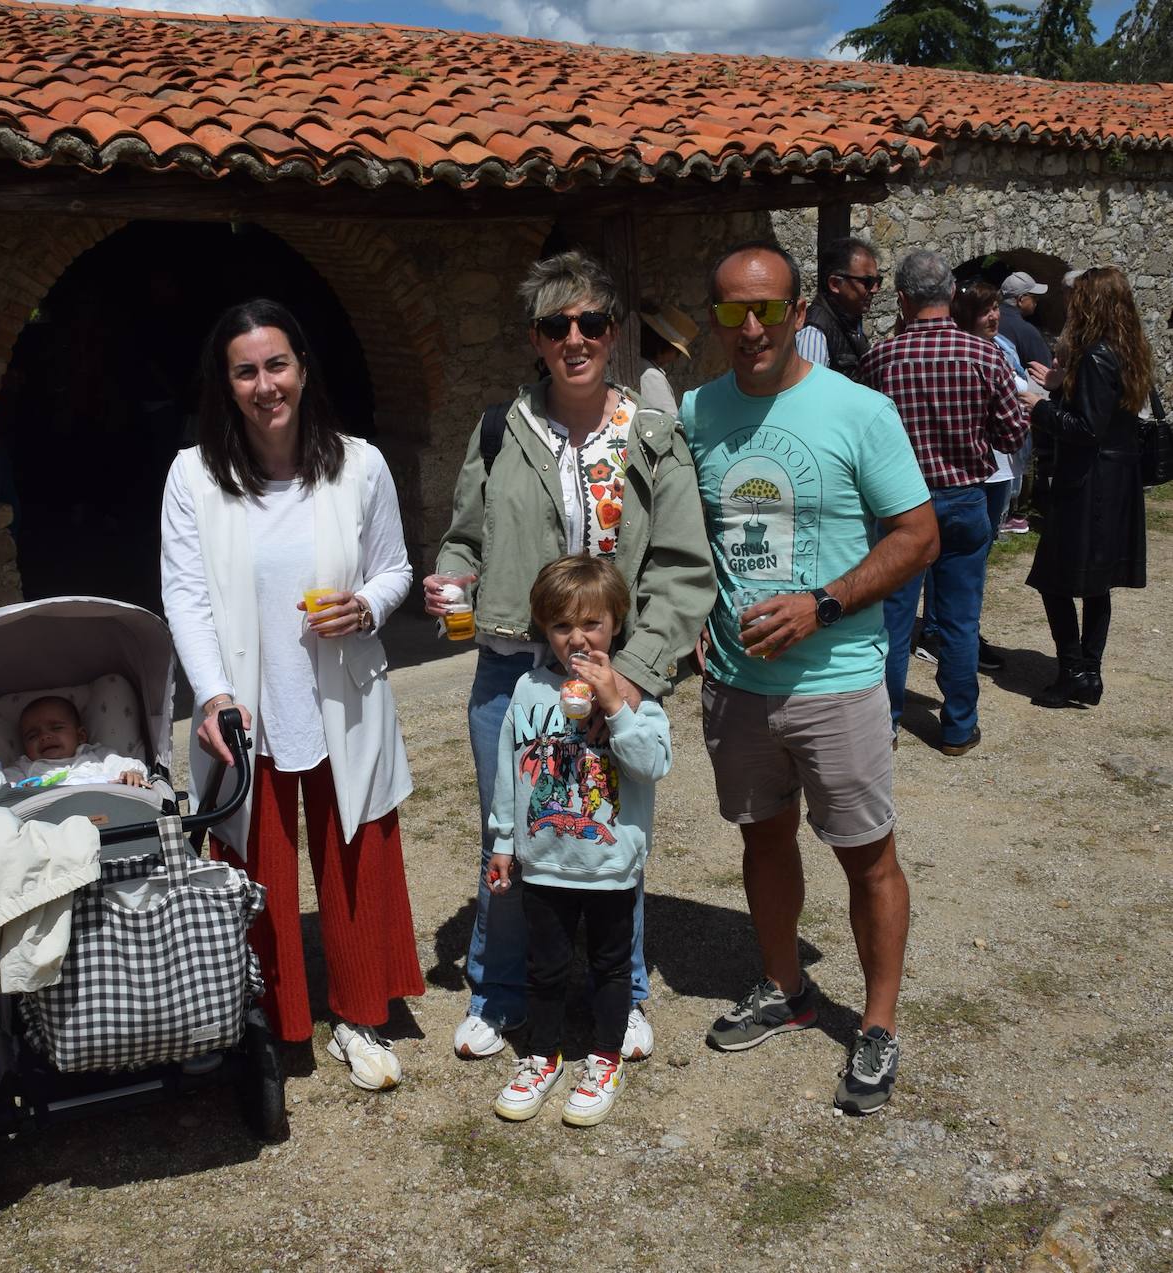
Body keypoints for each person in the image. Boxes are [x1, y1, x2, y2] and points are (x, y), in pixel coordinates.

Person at [426, 250, 716, 1065]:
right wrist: (451, 577)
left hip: (613, 675)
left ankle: (618, 998)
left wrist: (636, 673)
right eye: (558, 325)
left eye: (591, 322)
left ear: (615, 334)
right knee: (511, 835)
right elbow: (463, 534)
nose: (575, 338)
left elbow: (682, 567)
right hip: (513, 670)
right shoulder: (500, 429)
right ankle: (498, 989)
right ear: (536, 339)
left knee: (610, 834)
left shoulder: (654, 437)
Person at [684, 240, 936, 1115]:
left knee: (867, 856)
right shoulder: (695, 414)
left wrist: (822, 604)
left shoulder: (858, 411)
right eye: (729, 310)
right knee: (763, 838)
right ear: (712, 318)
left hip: (836, 675)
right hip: (736, 683)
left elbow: (916, 534)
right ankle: (785, 987)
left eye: (765, 309)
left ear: (799, 312)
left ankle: (875, 1023)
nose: (748, 326)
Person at [160, 298, 424, 1092]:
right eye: (247, 371)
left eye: (277, 365)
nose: (265, 384)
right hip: (251, 704)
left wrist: (369, 606)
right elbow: (186, 594)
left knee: (355, 855)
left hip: (343, 689)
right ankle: (269, 1016)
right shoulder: (194, 476)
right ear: (226, 384)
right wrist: (211, 696)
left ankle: (359, 1011)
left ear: (304, 371)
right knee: (256, 864)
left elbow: (395, 567)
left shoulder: (359, 464)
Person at [488, 556, 672, 1126]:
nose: (577, 638)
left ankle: (606, 1057)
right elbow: (508, 768)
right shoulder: (528, 689)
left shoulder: (637, 694)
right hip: (544, 859)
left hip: (611, 863)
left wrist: (615, 703)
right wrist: (501, 841)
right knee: (544, 967)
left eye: (592, 624)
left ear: (616, 623)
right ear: (544, 628)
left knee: (612, 967)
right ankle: (543, 1056)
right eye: (562, 625)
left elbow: (652, 764)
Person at [858, 251, 1029, 758]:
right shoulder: (986, 356)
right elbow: (1013, 433)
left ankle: (882, 724)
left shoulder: (879, 360)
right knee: (959, 619)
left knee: (891, 618)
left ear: (903, 300)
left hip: (898, 505)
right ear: (952, 295)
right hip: (964, 499)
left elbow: (859, 440)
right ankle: (957, 727)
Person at [1026, 266, 1149, 708]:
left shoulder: (1097, 354)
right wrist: (1062, 388)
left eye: (1079, 298)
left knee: (1055, 579)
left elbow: (1085, 428)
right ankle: (1088, 672)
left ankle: (1074, 671)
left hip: (1090, 483)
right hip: (1115, 479)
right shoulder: (1127, 349)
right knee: (1097, 584)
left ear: (1093, 303)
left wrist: (1040, 406)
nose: (1071, 304)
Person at [915, 281, 1029, 671]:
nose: (994, 315)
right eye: (985, 310)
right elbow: (1011, 430)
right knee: (952, 560)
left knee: (970, 561)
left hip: (992, 474)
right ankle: (938, 630)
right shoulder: (975, 353)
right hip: (968, 477)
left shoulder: (1001, 348)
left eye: (996, 307)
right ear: (964, 316)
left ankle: (949, 629)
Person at [0, 695, 149, 791]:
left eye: (56, 728)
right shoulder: (25, 768)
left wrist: (133, 773)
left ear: (80, 736)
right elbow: (2, 789)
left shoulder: (97, 756)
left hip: (104, 812)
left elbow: (125, 765)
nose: (45, 737)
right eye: (33, 735)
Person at [794, 237, 882, 374]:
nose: (875, 289)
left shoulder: (850, 322)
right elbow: (812, 392)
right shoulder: (814, 333)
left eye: (878, 281)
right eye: (868, 282)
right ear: (835, 284)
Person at [636, 300, 699, 415]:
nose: (675, 358)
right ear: (664, 346)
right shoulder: (651, 376)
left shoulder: (641, 366)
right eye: (677, 352)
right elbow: (668, 422)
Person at [999, 270, 1054, 371]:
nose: (1036, 302)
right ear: (1021, 300)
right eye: (1035, 298)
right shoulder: (1026, 331)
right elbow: (1045, 372)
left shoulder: (986, 320)